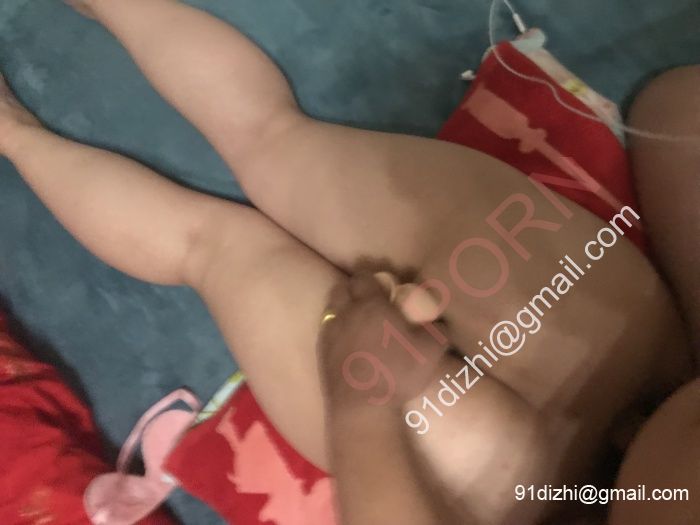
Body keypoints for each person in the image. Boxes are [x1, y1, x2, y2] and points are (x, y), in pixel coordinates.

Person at [0, 0, 696, 522]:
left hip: (515, 470)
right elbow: (681, 108)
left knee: (240, 192)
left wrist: (363, 406)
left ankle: (19, 123)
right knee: (229, 207)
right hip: (609, 394)